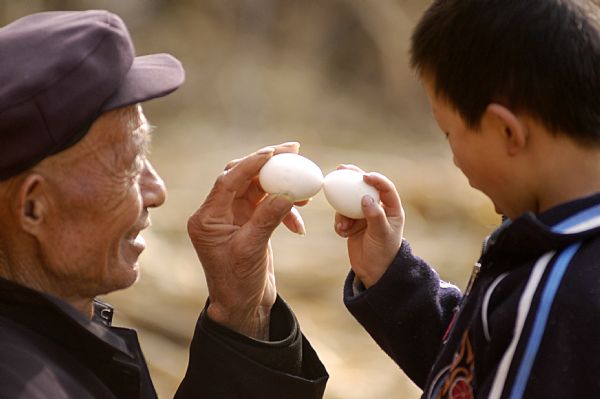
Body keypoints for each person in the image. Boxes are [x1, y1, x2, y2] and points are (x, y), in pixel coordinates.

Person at [0, 10, 327, 398]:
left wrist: (244, 315)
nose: (157, 191)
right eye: (130, 163)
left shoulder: (56, 344)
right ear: (34, 207)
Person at [335, 0, 600, 398]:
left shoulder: (553, 295)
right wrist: (389, 275)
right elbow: (476, 370)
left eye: (448, 133)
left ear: (506, 131)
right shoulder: (550, 244)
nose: (454, 157)